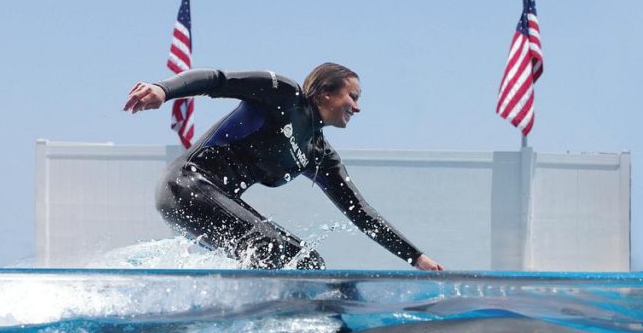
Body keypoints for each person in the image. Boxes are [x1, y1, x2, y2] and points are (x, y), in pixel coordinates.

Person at [124, 63, 443, 271]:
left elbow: (359, 211)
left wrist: (416, 257)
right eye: (352, 96)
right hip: (185, 186)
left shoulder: (318, 154)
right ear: (326, 92)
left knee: (301, 262)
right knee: (299, 261)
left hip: (210, 202)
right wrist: (163, 90)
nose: (357, 107)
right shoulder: (282, 95)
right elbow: (217, 81)